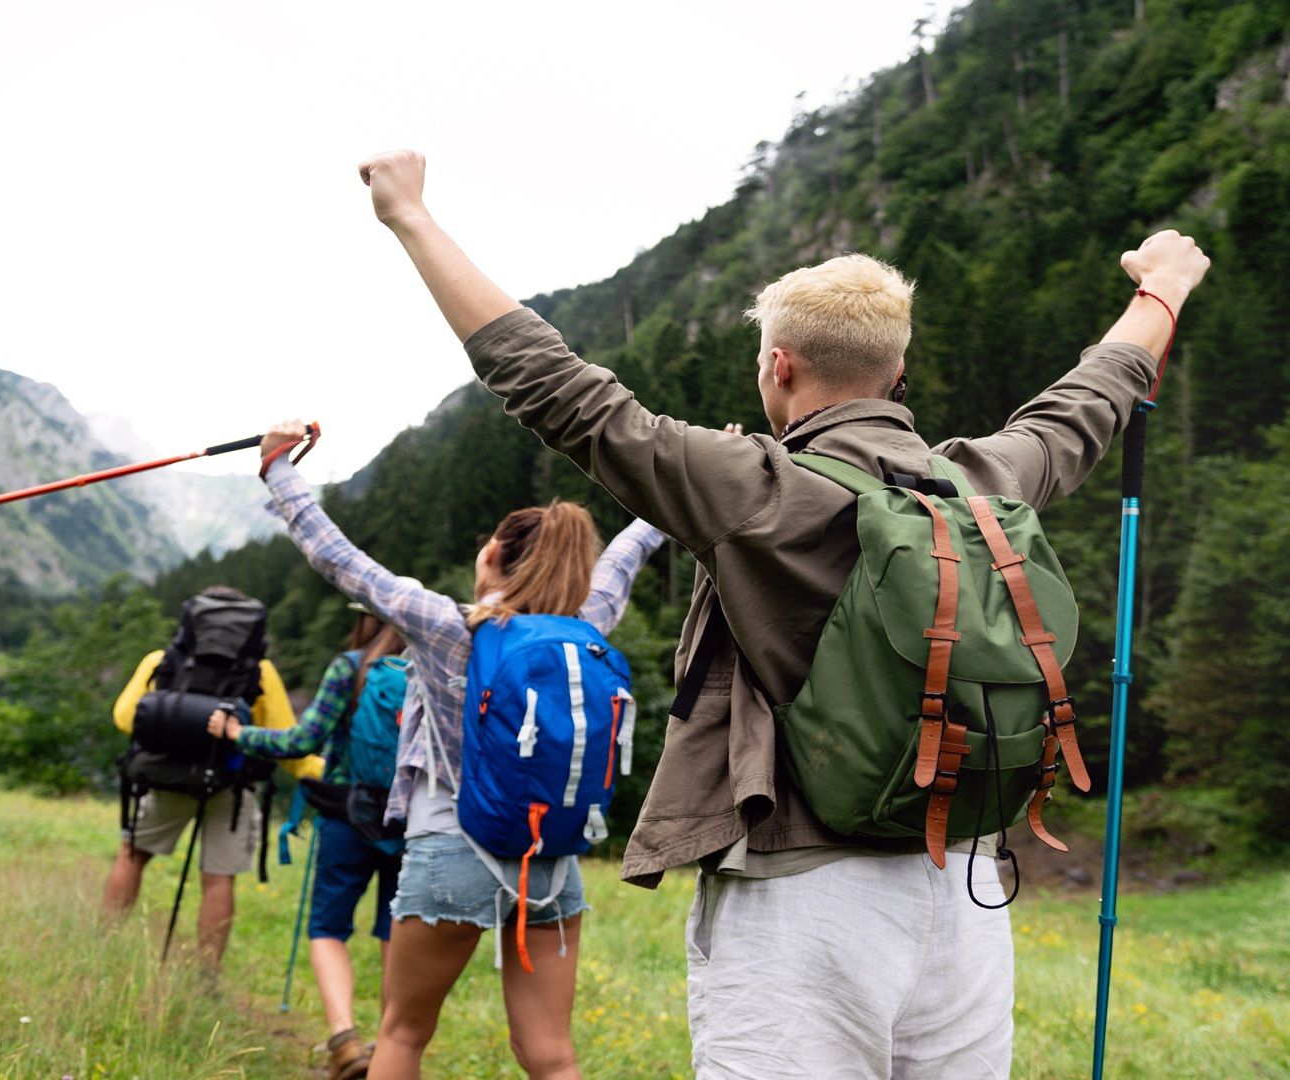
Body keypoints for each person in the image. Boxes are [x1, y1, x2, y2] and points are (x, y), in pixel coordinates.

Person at [355, 148, 1212, 1078]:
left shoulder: (754, 488)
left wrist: (412, 217)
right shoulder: (983, 484)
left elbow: (558, 388)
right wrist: (1163, 285)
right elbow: (1094, 396)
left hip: (800, 898)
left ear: (779, 367)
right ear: (897, 373)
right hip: (966, 893)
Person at [257, 418, 664, 1080]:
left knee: (404, 1034)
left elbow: (339, 560)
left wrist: (279, 469)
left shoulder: (445, 626)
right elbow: (628, 552)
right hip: (550, 861)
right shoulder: (588, 623)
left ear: (493, 560)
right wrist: (687, 475)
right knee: (552, 1057)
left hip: (453, 847)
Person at [208, 611, 408, 1080]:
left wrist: (238, 733)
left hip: (344, 814)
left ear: (364, 619)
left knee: (327, 928)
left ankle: (345, 1041)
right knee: (394, 932)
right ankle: (391, 1044)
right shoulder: (435, 667)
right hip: (411, 822)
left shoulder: (350, 667)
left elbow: (303, 739)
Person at [100, 585, 319, 972]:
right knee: (218, 880)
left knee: (132, 855)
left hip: (166, 775)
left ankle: (104, 946)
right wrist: (324, 772)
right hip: (229, 786)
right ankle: (205, 975)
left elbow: (124, 717)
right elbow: (285, 743)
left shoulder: (162, 660)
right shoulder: (260, 671)